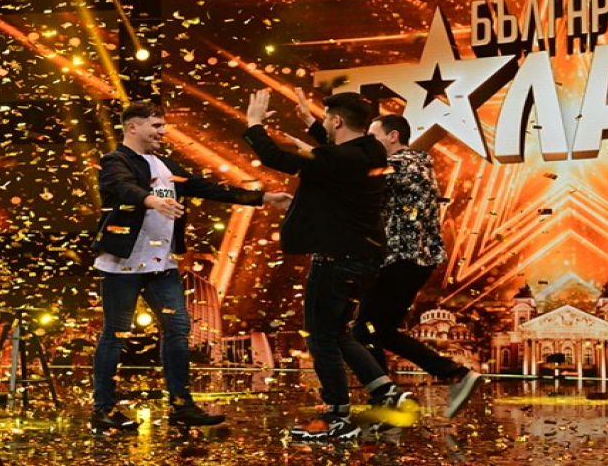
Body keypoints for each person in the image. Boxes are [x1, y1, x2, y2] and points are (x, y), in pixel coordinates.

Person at [90, 101, 292, 431]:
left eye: (163, 125)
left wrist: (264, 198)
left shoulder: (165, 164)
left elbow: (207, 188)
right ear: (132, 127)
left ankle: (181, 405)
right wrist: (153, 200)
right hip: (123, 265)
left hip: (161, 265)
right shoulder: (115, 160)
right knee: (115, 334)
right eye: (155, 126)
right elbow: (123, 188)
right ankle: (103, 410)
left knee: (179, 329)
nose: (162, 131)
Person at [243, 89, 412, 441]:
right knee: (338, 334)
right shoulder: (372, 150)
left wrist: (254, 123)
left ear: (336, 121)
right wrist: (311, 123)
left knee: (321, 338)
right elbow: (337, 154)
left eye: (326, 120)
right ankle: (386, 393)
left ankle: (337, 416)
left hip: (337, 260)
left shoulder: (339, 159)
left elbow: (275, 157)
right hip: (364, 258)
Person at [353, 114, 481, 419]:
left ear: (393, 136)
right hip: (410, 261)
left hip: (401, 260)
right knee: (381, 330)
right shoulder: (416, 164)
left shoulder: (402, 164)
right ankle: (454, 373)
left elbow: (354, 176)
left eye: (374, 137)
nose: (370, 144)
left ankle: (387, 397)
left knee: (363, 330)